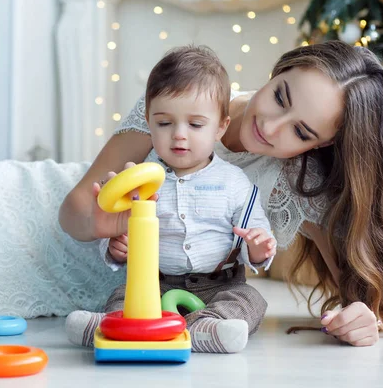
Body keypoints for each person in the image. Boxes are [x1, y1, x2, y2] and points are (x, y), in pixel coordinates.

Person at [0, 40, 383, 347]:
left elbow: (368, 288)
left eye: (302, 131)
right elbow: (76, 206)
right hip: (21, 198)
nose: (273, 126)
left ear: (326, 145)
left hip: (45, 279)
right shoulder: (191, 100)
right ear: (280, 69)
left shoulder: (298, 191)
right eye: (282, 96)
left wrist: (364, 316)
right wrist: (106, 223)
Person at [65, 45, 277, 354]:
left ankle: (207, 327)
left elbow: (253, 231)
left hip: (219, 285)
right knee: (122, 296)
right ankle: (109, 326)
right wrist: (115, 247)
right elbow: (116, 229)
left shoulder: (233, 182)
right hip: (154, 284)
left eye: (195, 124)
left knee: (250, 300)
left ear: (220, 127)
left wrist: (258, 248)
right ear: (149, 123)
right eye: (164, 123)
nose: (179, 134)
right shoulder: (137, 180)